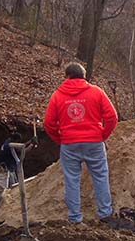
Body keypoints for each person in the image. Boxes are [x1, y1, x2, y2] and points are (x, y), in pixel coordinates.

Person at [44, 62, 118, 225]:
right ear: (84, 77)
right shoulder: (96, 92)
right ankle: (105, 214)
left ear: (67, 76)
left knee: (72, 179)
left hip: (69, 144)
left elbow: (48, 123)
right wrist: (102, 135)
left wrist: (60, 139)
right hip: (94, 142)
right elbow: (112, 117)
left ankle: (75, 218)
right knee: (100, 176)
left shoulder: (57, 96)